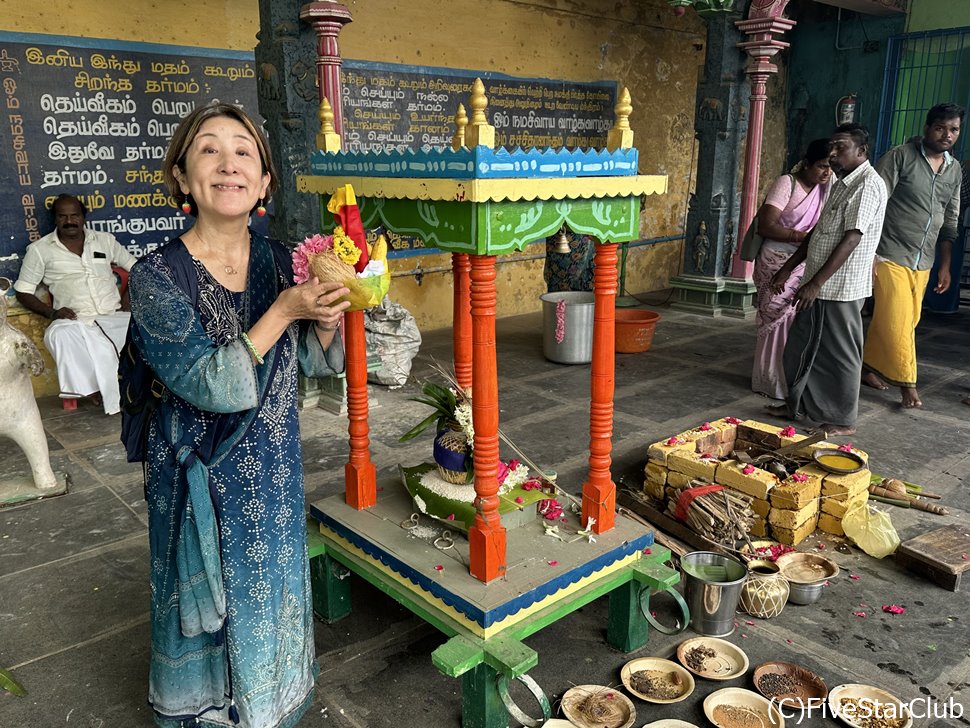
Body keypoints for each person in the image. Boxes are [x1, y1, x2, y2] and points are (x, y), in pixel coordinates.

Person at [127, 102, 349, 728]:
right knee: (203, 607)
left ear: (265, 183)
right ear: (181, 177)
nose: (229, 164)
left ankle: (269, 704)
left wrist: (326, 322)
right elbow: (209, 384)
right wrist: (283, 310)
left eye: (244, 152)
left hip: (272, 469)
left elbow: (315, 363)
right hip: (196, 476)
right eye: (208, 150)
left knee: (269, 587)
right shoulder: (155, 276)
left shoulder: (285, 260)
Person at [769, 123, 888, 436]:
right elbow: (819, 233)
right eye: (831, 148)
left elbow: (851, 239)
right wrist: (789, 268)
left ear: (861, 152)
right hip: (817, 281)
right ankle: (797, 404)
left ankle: (842, 419)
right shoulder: (841, 181)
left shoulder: (868, 185)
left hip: (841, 288)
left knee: (841, 356)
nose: (833, 154)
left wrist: (815, 283)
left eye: (841, 148)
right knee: (799, 346)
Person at [862, 102, 963, 409]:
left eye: (954, 129)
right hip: (889, 253)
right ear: (927, 127)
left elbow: (950, 220)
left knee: (902, 319)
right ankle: (908, 385)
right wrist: (868, 253)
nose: (947, 135)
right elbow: (874, 203)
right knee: (899, 322)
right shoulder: (900, 157)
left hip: (925, 261)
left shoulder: (954, 169)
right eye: (940, 127)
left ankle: (867, 368)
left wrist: (945, 266)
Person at [13, 194, 137, 414]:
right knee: (58, 335)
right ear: (55, 219)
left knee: (145, 332)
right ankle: (91, 389)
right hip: (76, 320)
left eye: (74, 215)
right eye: (63, 216)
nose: (69, 221)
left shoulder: (104, 240)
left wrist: (127, 301)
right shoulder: (40, 250)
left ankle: (133, 390)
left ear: (83, 216)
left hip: (114, 316)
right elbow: (23, 291)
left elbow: (136, 269)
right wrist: (52, 313)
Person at [751, 138, 833, 399]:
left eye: (830, 167)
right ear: (807, 164)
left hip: (804, 261)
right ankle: (769, 381)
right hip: (776, 259)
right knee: (774, 317)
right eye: (821, 166)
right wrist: (802, 237)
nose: (826, 172)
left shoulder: (827, 188)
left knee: (794, 320)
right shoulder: (787, 183)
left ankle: (788, 379)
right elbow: (767, 226)